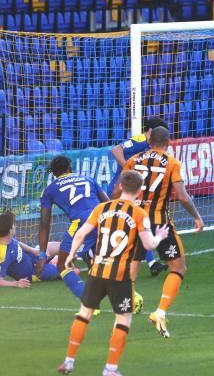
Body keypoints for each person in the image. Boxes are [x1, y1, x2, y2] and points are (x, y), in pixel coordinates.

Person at [57, 171, 169, 376]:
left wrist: (70, 256)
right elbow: (148, 245)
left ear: (119, 186)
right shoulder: (138, 214)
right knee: (123, 319)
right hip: (120, 275)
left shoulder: (101, 208)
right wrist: (159, 237)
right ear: (139, 189)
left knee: (84, 314)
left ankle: (69, 361)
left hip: (97, 271)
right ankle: (110, 368)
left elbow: (80, 234)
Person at [119, 126, 204, 338]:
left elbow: (117, 192)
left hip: (133, 220)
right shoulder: (172, 163)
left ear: (150, 140)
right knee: (178, 267)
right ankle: (160, 312)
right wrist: (196, 216)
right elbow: (182, 197)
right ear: (168, 142)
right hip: (159, 223)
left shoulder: (133, 160)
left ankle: (123, 313)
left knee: (132, 266)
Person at [38, 156, 109, 299]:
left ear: (54, 174)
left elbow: (45, 223)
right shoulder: (88, 179)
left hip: (81, 222)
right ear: (70, 168)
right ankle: (130, 297)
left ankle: (89, 302)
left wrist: (42, 255)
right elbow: (108, 202)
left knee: (63, 264)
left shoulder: (49, 190)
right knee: (94, 263)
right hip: (104, 218)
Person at [108, 117, 170, 277]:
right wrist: (128, 169)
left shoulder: (153, 148)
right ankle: (92, 256)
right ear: (150, 131)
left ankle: (151, 263)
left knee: (135, 225)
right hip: (119, 189)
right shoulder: (140, 140)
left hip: (131, 191)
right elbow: (116, 150)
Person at [0, 211, 60, 288]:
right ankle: (53, 263)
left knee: (59, 246)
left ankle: (53, 261)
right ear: (10, 231)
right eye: (13, 225)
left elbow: (18, 243)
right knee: (68, 270)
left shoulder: (3, 236)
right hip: (34, 272)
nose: (15, 226)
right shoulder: (3, 256)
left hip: (33, 258)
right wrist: (16, 283)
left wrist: (33, 250)